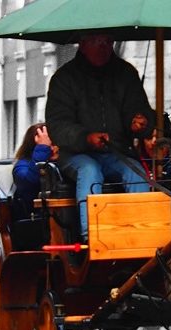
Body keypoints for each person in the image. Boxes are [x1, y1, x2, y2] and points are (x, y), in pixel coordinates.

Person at [45, 33, 155, 242]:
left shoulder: (126, 73)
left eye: (107, 41)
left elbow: (139, 109)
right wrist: (86, 138)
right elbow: (58, 125)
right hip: (76, 154)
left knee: (137, 173)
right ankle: (92, 237)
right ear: (83, 44)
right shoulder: (64, 78)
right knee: (89, 170)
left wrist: (139, 122)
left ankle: (143, 235)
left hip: (116, 152)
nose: (104, 47)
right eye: (98, 42)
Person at [12, 122, 60, 220]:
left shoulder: (65, 162)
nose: (55, 148)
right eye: (51, 144)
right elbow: (30, 182)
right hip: (36, 220)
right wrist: (43, 149)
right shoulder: (22, 166)